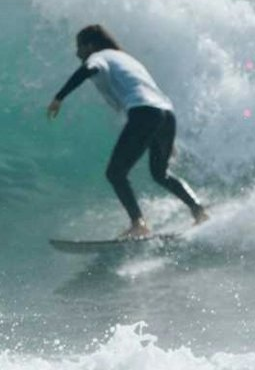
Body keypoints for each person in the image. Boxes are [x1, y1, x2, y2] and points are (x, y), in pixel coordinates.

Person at [47, 24, 208, 238]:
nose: (77, 53)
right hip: (167, 114)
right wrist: (165, 136)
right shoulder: (128, 60)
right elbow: (152, 94)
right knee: (160, 174)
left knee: (115, 173)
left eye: (80, 47)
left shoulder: (100, 56)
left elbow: (88, 69)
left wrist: (59, 97)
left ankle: (138, 224)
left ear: (91, 45)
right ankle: (199, 211)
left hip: (144, 113)